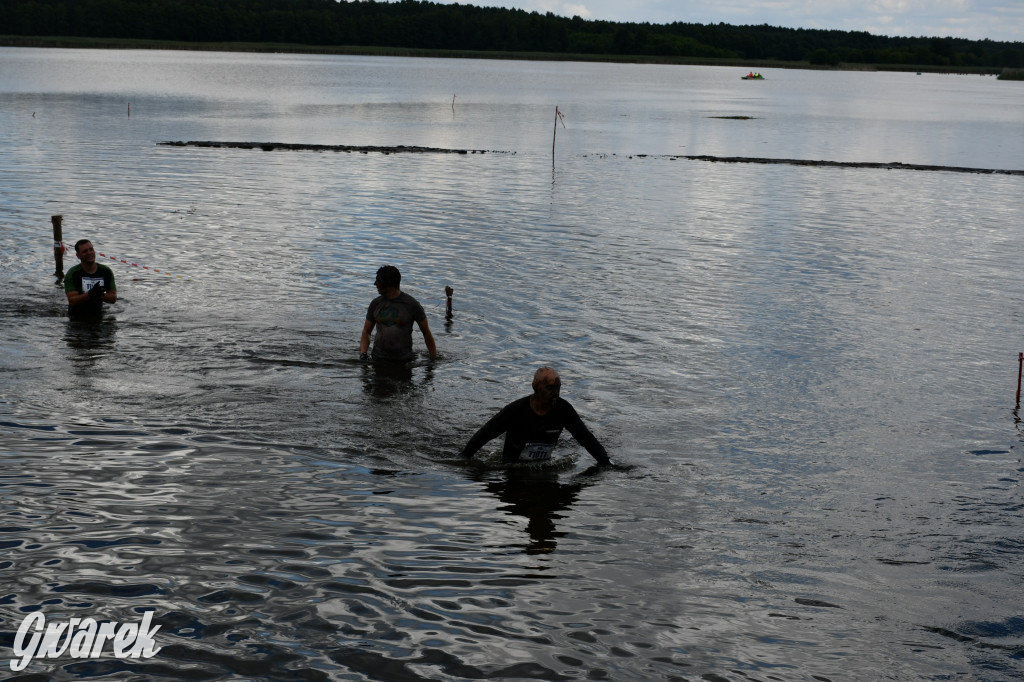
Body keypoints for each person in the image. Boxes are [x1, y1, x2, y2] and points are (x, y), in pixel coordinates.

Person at [459, 367, 612, 466]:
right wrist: (464, 458)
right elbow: (486, 433)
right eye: (550, 388)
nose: (555, 393)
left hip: (543, 465)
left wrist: (606, 463)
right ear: (535, 387)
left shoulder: (563, 409)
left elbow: (585, 437)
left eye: (558, 388)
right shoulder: (515, 410)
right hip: (511, 467)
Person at [360, 265, 437, 361]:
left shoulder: (412, 305)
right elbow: (366, 331)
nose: (375, 284)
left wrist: (433, 360)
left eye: (378, 281)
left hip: (404, 360)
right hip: (378, 358)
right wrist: (363, 354)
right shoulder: (375, 304)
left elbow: (426, 333)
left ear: (388, 283)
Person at [64, 239, 117, 318]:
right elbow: (72, 301)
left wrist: (99, 294)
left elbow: (113, 298)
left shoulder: (106, 271)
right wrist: (90, 294)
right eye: (85, 251)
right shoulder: (72, 273)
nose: (89, 253)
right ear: (78, 255)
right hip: (76, 316)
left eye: (91, 249)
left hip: (98, 314)